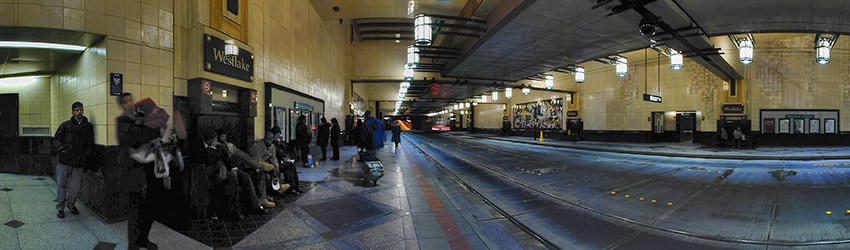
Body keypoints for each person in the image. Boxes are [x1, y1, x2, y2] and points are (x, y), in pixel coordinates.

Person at [116, 93, 165, 250]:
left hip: (150, 169)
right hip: (133, 172)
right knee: (135, 211)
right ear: (122, 106)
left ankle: (143, 239)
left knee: (151, 208)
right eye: (125, 102)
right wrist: (146, 129)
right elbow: (130, 139)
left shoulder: (144, 116)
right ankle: (133, 245)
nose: (130, 103)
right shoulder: (122, 121)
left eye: (131, 100)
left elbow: (157, 132)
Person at [213, 130, 273, 216]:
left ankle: (261, 198)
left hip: (237, 164)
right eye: (222, 136)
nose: (224, 138)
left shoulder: (230, 145)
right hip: (228, 168)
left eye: (225, 136)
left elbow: (241, 154)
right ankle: (254, 206)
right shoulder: (217, 147)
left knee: (257, 172)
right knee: (245, 177)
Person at [53, 101, 94, 219]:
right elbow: (57, 139)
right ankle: (60, 207)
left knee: (76, 186)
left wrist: (85, 155)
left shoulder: (88, 126)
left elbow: (90, 144)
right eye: (77, 110)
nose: (79, 112)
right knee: (61, 184)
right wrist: (62, 150)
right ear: (72, 112)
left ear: (83, 110)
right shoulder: (65, 125)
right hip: (64, 160)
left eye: (81, 109)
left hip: (78, 161)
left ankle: (71, 204)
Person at [250, 132, 283, 206]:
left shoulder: (272, 147)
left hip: (266, 165)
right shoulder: (257, 147)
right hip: (255, 167)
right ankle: (263, 197)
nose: (269, 141)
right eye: (267, 139)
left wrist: (275, 166)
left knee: (276, 170)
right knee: (264, 174)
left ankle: (276, 189)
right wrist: (269, 167)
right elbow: (258, 162)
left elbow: (273, 158)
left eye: (271, 139)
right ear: (264, 139)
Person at [270, 126, 302, 194]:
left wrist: (280, 143)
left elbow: (284, 149)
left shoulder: (278, 142)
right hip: (276, 161)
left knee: (292, 166)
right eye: (277, 135)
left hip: (281, 160)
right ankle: (291, 186)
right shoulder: (272, 143)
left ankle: (295, 186)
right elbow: (278, 153)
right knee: (287, 168)